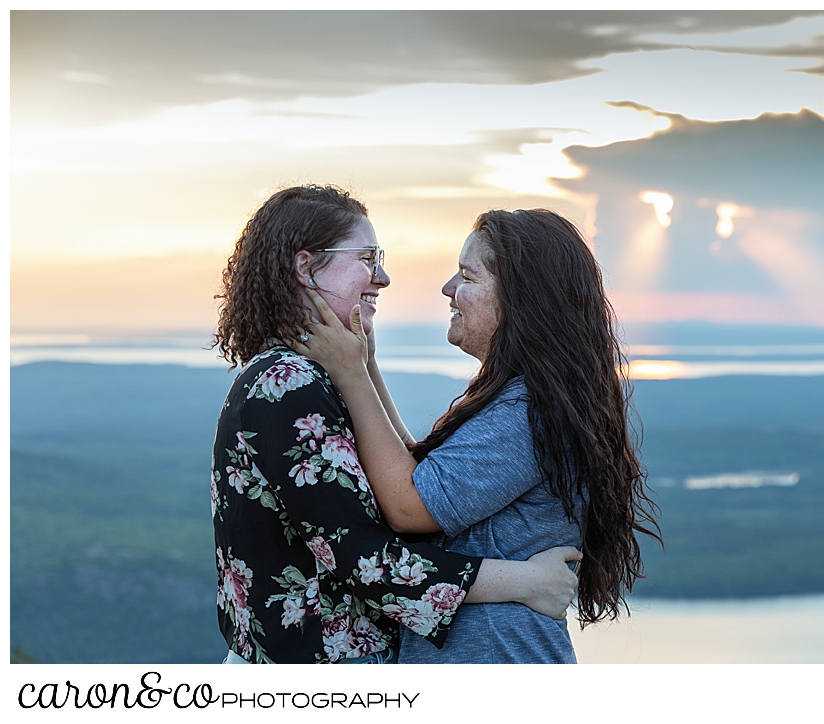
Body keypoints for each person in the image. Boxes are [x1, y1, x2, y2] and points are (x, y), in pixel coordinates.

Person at [210, 186, 581, 664]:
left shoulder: (312, 378)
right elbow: (368, 558)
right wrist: (526, 581)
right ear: (306, 268)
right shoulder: (288, 384)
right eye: (367, 258)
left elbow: (407, 486)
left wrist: (361, 367)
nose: (382, 277)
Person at [296, 208, 661, 663]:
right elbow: (422, 476)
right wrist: (366, 365)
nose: (448, 289)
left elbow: (410, 507)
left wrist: (350, 375)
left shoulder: (528, 411)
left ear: (520, 300)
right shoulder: (527, 399)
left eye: (467, 277)